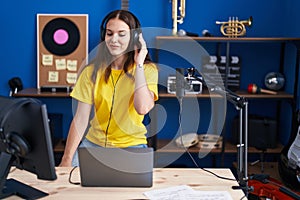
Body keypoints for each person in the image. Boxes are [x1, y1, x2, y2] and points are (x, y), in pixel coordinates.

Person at [59, 10, 158, 167]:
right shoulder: (90, 71)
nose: (114, 40)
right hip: (94, 144)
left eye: (121, 34)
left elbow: (143, 107)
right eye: (109, 33)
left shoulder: (148, 70)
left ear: (134, 38)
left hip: (132, 146)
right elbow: (80, 118)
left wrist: (139, 63)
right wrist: (66, 159)